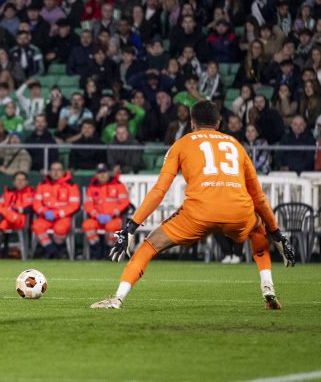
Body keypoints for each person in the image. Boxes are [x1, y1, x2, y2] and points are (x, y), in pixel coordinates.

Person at [91, 101, 296, 310]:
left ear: (192, 123)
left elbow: (159, 191)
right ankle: (268, 286)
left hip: (199, 212)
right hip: (239, 210)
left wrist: (131, 227)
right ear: (218, 122)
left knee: (150, 245)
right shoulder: (236, 145)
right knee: (258, 231)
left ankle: (118, 298)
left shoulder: (181, 144)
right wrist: (277, 234)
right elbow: (259, 197)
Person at [32, 161, 81, 258]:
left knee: (60, 229)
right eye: (53, 170)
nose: (55, 172)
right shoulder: (42, 185)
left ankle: (56, 250)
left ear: (63, 172)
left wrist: (58, 213)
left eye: (58, 170)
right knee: (37, 226)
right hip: (46, 216)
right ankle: (51, 250)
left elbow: (75, 205)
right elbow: (36, 203)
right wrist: (44, 212)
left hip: (63, 217)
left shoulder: (71, 185)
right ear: (49, 172)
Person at [82, 163, 131, 259]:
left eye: (104, 172)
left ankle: (109, 250)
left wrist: (112, 214)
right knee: (87, 225)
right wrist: (96, 215)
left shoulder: (118, 185)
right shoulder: (92, 187)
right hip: (97, 218)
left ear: (109, 173)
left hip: (114, 218)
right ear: (96, 175)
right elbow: (88, 205)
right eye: (99, 173)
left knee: (111, 227)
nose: (102, 175)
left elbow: (125, 202)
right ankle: (97, 249)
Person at [0, 171, 34, 256]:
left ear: (26, 182)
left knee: (2, 217)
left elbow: (31, 207)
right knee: (1, 227)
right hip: (8, 220)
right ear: (14, 181)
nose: (19, 182)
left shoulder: (30, 193)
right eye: (17, 180)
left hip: (21, 220)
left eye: (22, 180)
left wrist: (13, 210)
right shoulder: (8, 193)